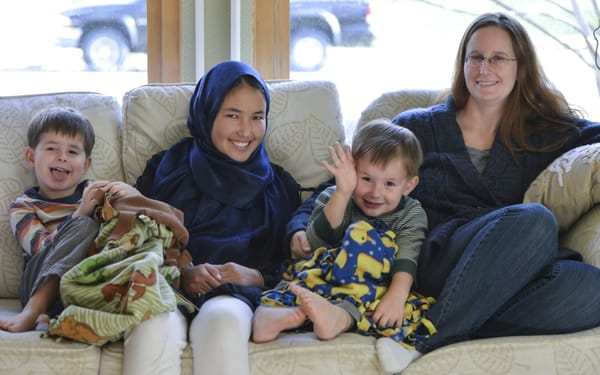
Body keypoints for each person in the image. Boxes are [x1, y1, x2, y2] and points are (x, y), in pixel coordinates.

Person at [290, 12, 600, 373]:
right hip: (427, 256)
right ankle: (425, 338)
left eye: (498, 58)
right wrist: (298, 228)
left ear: (521, 67)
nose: (485, 68)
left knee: (589, 287)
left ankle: (433, 318)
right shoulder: (417, 126)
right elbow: (340, 182)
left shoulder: (542, 133)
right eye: (476, 57)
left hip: (493, 267)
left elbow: (593, 137)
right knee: (535, 221)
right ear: (463, 63)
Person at [135, 60, 301, 375]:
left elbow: (297, 262)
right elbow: (136, 237)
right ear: (207, 113)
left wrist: (255, 276)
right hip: (166, 289)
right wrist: (183, 274)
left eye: (257, 118)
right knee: (149, 327)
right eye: (232, 115)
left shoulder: (280, 186)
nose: (246, 131)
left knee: (222, 322)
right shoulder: (167, 168)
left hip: (235, 297)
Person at [0, 106, 187, 375]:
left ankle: (86, 310)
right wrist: (81, 214)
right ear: (31, 156)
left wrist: (130, 195)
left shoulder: (94, 192)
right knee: (86, 227)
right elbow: (43, 248)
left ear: (85, 164)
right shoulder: (24, 206)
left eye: (73, 151)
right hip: (39, 279)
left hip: (87, 281)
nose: (62, 157)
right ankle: (35, 309)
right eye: (52, 148)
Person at [252, 119, 437, 347]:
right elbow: (317, 242)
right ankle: (269, 316)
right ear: (351, 169)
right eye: (366, 179)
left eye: (389, 184)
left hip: (369, 287)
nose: (375, 193)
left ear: (408, 186)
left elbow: (407, 257)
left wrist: (396, 296)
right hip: (321, 276)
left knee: (367, 241)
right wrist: (342, 192)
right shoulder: (334, 195)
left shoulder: (411, 213)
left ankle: (337, 317)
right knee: (293, 280)